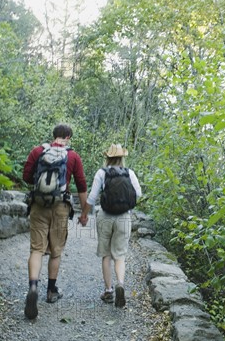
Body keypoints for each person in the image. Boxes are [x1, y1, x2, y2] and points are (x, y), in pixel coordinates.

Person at [22, 124, 88, 320]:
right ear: (68, 137)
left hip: (38, 205)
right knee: (56, 251)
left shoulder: (38, 150)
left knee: (36, 249)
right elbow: (82, 185)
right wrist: (84, 212)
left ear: (54, 136)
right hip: (60, 206)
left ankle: (33, 286)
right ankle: (51, 291)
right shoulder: (73, 156)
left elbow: (26, 177)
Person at [79, 144, 142, 308]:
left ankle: (108, 290)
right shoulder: (130, 173)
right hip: (123, 217)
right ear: (122, 158)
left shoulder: (102, 173)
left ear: (107, 157)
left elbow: (92, 198)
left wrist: (84, 214)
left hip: (105, 216)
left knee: (106, 255)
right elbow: (138, 194)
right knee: (119, 256)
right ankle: (120, 283)